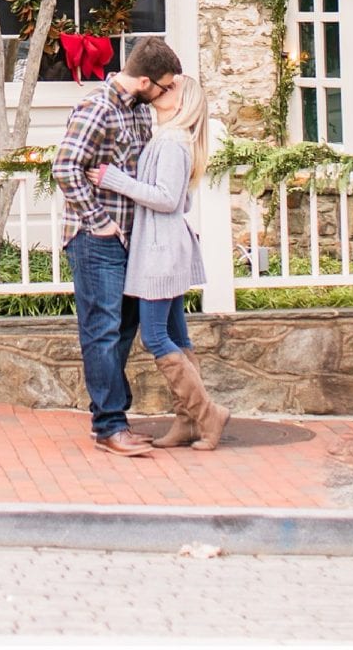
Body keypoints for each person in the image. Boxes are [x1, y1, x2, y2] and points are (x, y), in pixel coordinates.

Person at [53, 34, 183, 457]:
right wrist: (100, 222)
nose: (167, 94)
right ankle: (109, 426)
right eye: (165, 86)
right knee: (102, 331)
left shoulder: (139, 113)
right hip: (97, 240)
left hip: (132, 238)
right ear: (145, 81)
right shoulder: (98, 107)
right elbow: (66, 167)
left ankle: (112, 418)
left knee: (125, 327)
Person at [92, 74, 229, 451]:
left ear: (183, 104)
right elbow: (181, 202)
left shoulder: (172, 142)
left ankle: (208, 415)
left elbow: (168, 199)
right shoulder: (168, 139)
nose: (161, 91)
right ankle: (188, 422)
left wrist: (114, 179)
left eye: (171, 90)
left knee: (154, 335)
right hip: (164, 246)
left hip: (160, 251)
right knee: (178, 336)